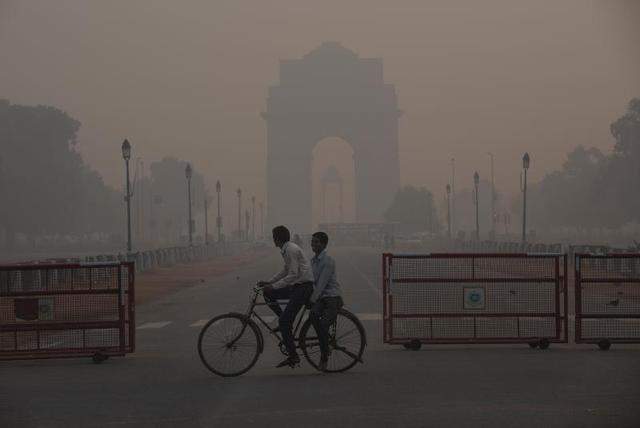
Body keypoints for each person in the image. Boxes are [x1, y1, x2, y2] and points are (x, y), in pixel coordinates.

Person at [257, 225, 314, 368]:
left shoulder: (290, 249)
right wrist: (269, 282)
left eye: (273, 237)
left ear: (278, 238)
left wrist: (274, 285)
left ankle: (293, 355)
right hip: (297, 286)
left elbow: (293, 274)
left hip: (303, 287)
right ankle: (285, 321)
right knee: (268, 292)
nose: (272, 239)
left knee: (283, 322)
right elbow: (285, 270)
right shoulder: (286, 249)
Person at [309, 231, 343, 372]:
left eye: (316, 242)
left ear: (323, 244)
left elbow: (322, 284)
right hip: (322, 298)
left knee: (323, 325)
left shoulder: (328, 261)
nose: (313, 244)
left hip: (332, 298)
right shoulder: (313, 261)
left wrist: (312, 299)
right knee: (312, 316)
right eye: (312, 242)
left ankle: (324, 355)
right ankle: (324, 341)